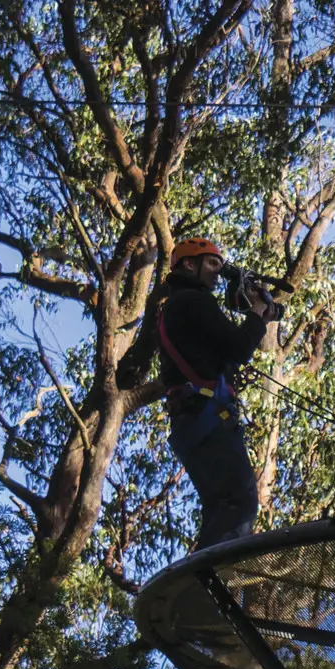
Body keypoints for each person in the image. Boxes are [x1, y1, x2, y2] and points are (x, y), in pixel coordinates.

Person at [132, 234, 273, 545]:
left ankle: (204, 571)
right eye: (211, 263)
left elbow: (222, 351)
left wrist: (256, 314)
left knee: (220, 507)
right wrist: (256, 313)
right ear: (188, 265)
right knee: (239, 502)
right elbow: (239, 347)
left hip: (193, 418)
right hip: (206, 416)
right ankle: (216, 573)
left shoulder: (176, 305)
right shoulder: (193, 301)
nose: (217, 271)